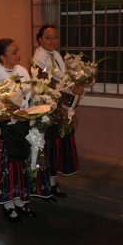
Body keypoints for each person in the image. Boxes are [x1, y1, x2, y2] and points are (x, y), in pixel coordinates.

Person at [0, 38, 37, 222]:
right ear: (2, 57)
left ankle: (20, 200)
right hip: (6, 129)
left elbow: (29, 97)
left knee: (21, 166)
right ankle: (8, 204)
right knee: (8, 169)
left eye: (18, 51)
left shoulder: (22, 71)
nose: (18, 55)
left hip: (22, 125)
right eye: (14, 52)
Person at [32, 25, 81, 199]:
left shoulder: (56, 55)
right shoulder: (39, 60)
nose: (52, 41)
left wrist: (75, 85)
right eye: (47, 37)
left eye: (54, 37)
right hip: (46, 109)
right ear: (39, 39)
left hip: (59, 108)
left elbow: (62, 79)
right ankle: (45, 186)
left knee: (57, 147)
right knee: (48, 149)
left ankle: (53, 184)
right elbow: (48, 84)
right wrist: (72, 89)